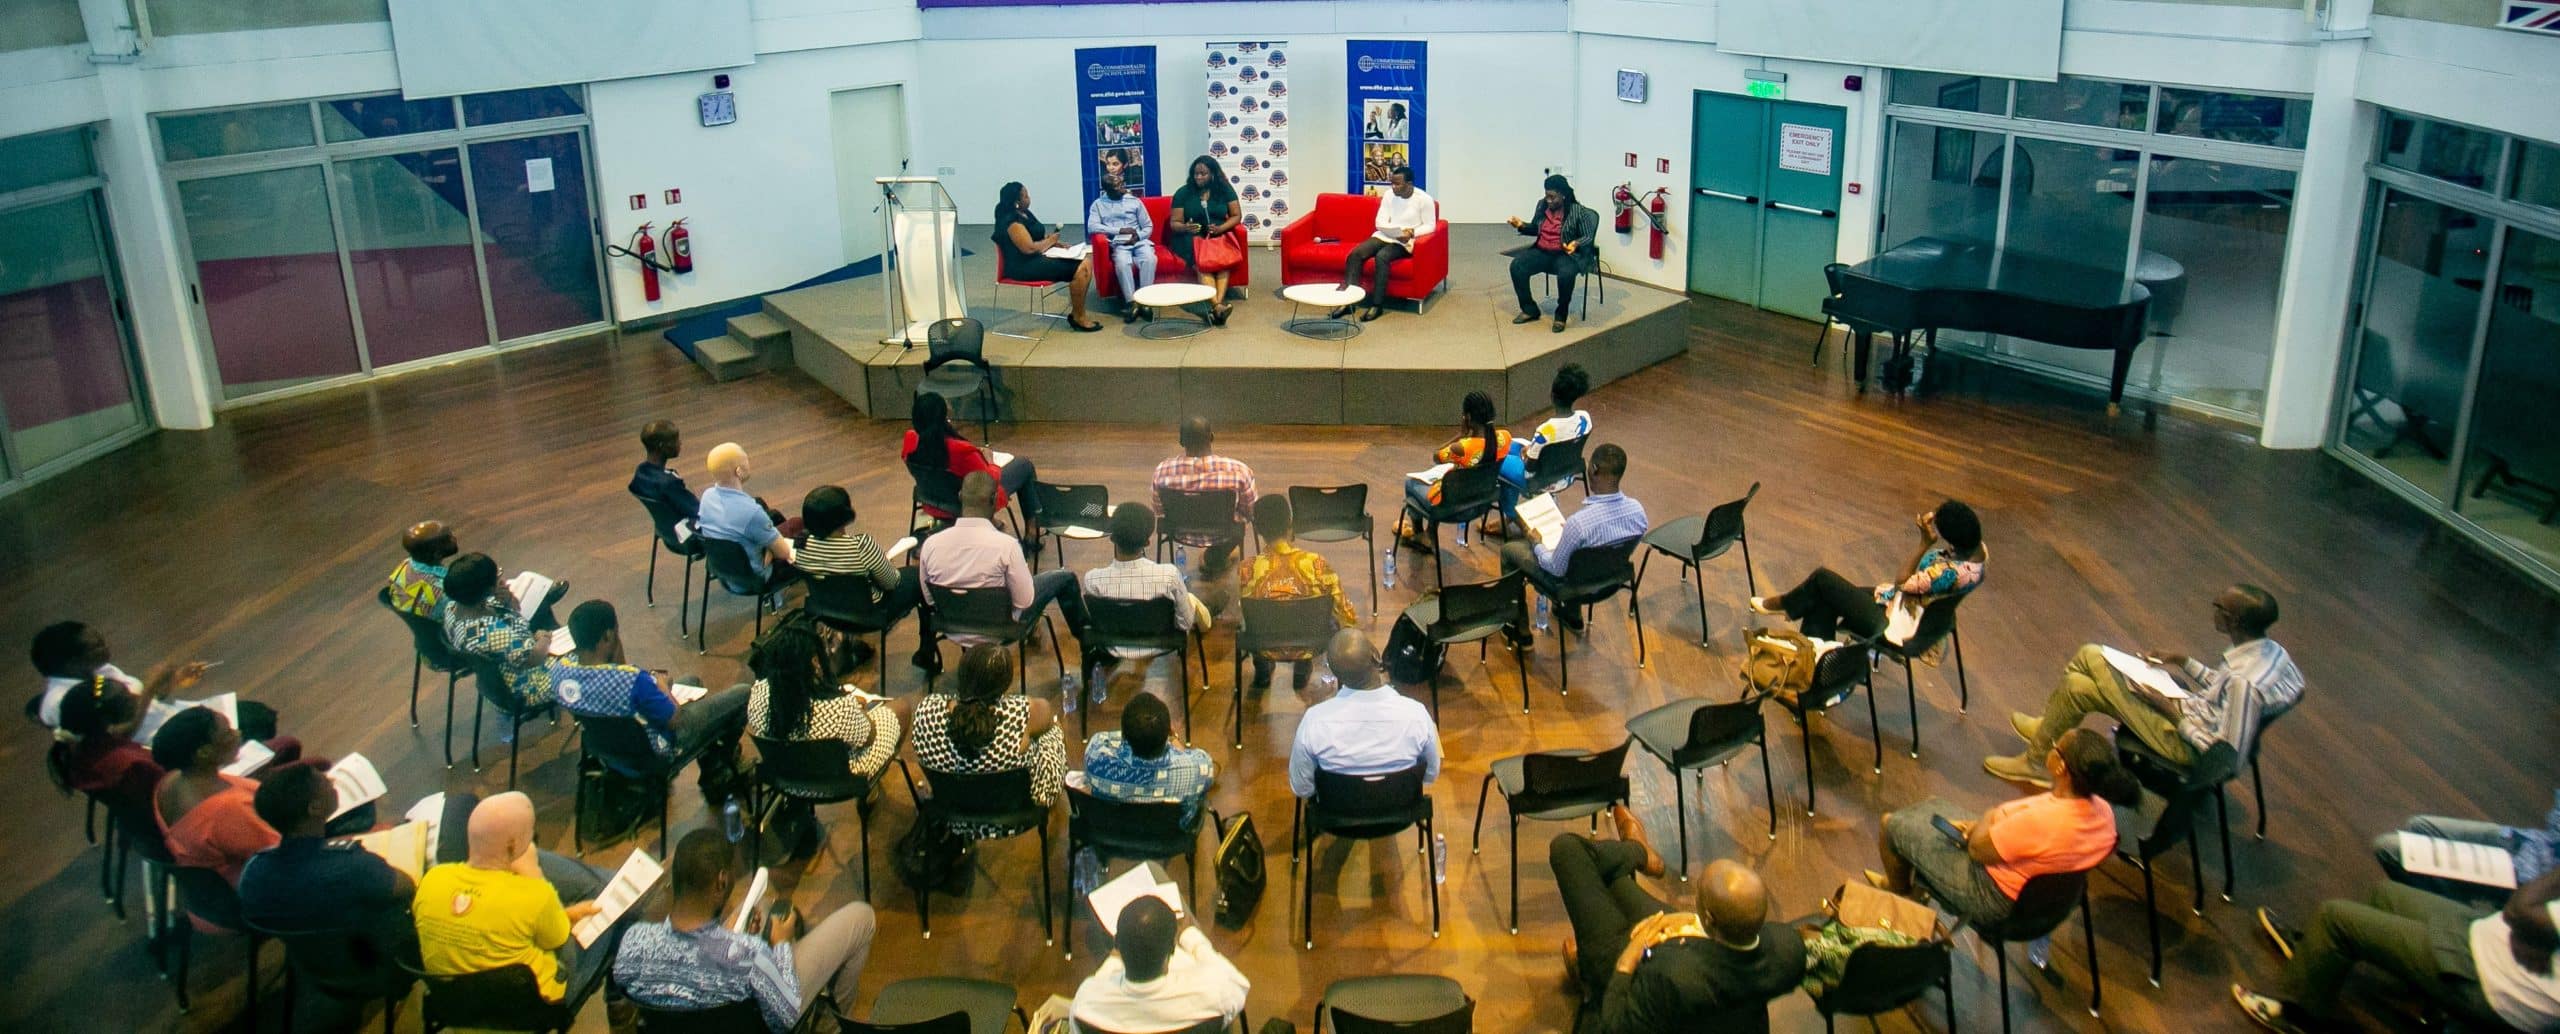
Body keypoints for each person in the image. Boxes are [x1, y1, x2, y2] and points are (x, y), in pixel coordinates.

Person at [1986, 584, 2306, 787]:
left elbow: (2224, 757)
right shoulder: (2271, 652)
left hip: (2184, 742)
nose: (2214, 609)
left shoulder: (2243, 684)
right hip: (2194, 710)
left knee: (2089, 655)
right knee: (2075, 686)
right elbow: (2225, 695)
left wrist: (2172, 713)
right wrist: (2183, 661)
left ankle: (2036, 758)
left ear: (2234, 621)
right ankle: (2046, 738)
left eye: (2219, 607)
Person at [1551, 806, 1807, 1033]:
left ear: (1709, 917)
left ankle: (1636, 852)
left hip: (1641, 972)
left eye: (1699, 897)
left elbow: (1615, 1023)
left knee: (1567, 850)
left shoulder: (1672, 977)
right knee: (1611, 878)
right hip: (1694, 954)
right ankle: (1636, 853)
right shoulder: (1789, 948)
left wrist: (1629, 958)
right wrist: (1687, 922)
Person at [614, 828, 880, 1032]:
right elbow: (783, 1018)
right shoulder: (749, 957)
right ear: (721, 881)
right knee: (862, 917)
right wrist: (781, 945)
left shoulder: (632, 944)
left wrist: (732, 938)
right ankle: (831, 1025)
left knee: (761, 907)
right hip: (759, 1020)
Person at [2232, 870, 2560, 1034]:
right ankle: (2315, 960)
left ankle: (2298, 1017)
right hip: (2484, 937)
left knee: (2335, 919)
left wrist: (2527, 922)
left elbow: (2518, 910)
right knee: (2386, 894)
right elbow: (2524, 915)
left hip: (2488, 982)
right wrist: (2533, 928)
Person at [1874, 728, 2137, 927]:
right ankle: (1917, 886)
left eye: (2056, 746)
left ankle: (1900, 896)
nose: (2051, 747)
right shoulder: (2104, 813)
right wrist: (1982, 825)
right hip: (2046, 906)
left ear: (2060, 766)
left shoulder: (2042, 821)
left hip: (1992, 897)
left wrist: (1987, 818)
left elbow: (1977, 850)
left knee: (1891, 826)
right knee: (1932, 806)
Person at [413, 791, 620, 1010]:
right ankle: (620, 1007)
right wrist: (534, 874)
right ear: (512, 846)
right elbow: (558, 940)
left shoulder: (431, 880)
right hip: (530, 1009)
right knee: (621, 914)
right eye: (531, 836)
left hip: (455, 1008)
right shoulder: (534, 895)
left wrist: (565, 914)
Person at [548, 600, 750, 806]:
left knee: (692, 682)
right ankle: (717, 769)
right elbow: (674, 718)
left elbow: (614, 677)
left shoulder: (559, 673)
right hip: (658, 751)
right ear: (608, 635)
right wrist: (662, 687)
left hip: (613, 751)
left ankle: (714, 765)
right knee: (742, 693)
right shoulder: (633, 680)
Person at [150, 706, 368, 887]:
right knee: (362, 814)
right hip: (273, 880)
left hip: (250, 857)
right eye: (227, 733)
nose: (238, 733)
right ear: (203, 753)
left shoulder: (170, 781)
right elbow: (286, 853)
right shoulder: (228, 812)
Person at [745, 611, 905, 853]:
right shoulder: (839, 708)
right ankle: (870, 791)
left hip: (787, 776)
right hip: (842, 781)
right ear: (814, 663)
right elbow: (867, 738)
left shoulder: (758, 696)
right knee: (900, 709)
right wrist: (862, 711)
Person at [1751, 499, 1987, 645]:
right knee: (1823, 595)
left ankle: (1785, 605)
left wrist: (1925, 542)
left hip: (1896, 624)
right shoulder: (1978, 555)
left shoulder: (1946, 573)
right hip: (1917, 616)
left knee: (1822, 580)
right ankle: (1817, 670)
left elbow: (1902, 582)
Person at [236, 764, 416, 949]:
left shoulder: (252, 873)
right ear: (315, 807)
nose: (332, 781)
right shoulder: (353, 865)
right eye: (326, 782)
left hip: (311, 965)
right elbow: (406, 886)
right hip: (378, 958)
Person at [900, 644, 1065, 839]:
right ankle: (1046, 794)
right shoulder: (1022, 712)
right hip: (1016, 818)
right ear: (1005, 684)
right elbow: (1047, 717)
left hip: (951, 815)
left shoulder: (927, 710)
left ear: (961, 676)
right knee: (1053, 730)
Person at [919, 471, 1088, 646]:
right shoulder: (1007, 546)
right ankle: (1092, 651)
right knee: (1065, 578)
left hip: (953, 628)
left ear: (961, 496)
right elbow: (1024, 601)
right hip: (1001, 631)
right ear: (994, 500)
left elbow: (930, 598)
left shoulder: (931, 545)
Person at [29, 620, 260, 744]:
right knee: (255, 722)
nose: (105, 648)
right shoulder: (62, 703)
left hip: (169, 719)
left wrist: (173, 680)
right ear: (71, 663)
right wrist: (150, 688)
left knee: (254, 714)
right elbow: (114, 738)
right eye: (95, 647)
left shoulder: (101, 672)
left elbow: (137, 701)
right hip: (159, 742)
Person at [1499, 443, 1648, 633]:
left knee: (1510, 551)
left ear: (1594, 469)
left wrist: (1535, 542)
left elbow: (1555, 568)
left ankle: (1518, 631)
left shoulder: (1579, 524)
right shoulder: (1638, 512)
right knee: (1576, 554)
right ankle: (1571, 615)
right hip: (1611, 579)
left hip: (1570, 585)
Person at [1287, 630, 1441, 798]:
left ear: (1335, 673)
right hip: (1400, 813)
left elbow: (1302, 788)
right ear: (1376, 657)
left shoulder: (1313, 722)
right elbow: (1430, 774)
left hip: (1337, 815)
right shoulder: (1416, 714)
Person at [794, 484, 931, 667]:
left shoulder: (802, 546)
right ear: (844, 515)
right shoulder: (861, 546)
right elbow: (891, 583)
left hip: (826, 612)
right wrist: (883, 563)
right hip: (868, 616)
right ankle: (926, 651)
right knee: (918, 576)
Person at [1069, 895, 1250, 1032]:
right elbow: (1238, 984)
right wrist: (1191, 937)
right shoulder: (1214, 994)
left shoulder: (1086, 1003)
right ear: (1172, 947)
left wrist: (1112, 962)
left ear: (1116, 944)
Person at [1238, 496, 1358, 689]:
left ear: (1257, 528)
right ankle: (1302, 668)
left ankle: (1262, 669)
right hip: (1313, 642)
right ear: (1290, 524)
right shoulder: (1316, 563)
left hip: (1263, 643)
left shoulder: (1246, 568)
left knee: (1249, 616)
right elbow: (1345, 612)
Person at [1082, 504, 1211, 678]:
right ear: (1147, 542)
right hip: (1162, 642)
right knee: (1192, 600)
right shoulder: (1169, 575)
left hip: (1113, 644)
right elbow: (1184, 625)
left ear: (1112, 538)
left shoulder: (1092, 580)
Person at [2373, 790, 2560, 906]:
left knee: (2390, 849)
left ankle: (2459, 919)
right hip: (2531, 843)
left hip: (2532, 878)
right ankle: (2449, 903)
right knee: (2419, 826)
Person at [1072, 690, 1217, 829]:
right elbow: (1208, 767)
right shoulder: (1199, 770)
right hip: (1167, 840)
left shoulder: (1096, 759)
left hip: (1113, 835)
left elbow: (1104, 738)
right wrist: (1173, 738)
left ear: (1124, 735)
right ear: (1167, 733)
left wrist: (1135, 733)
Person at [902, 391, 1042, 535]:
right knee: (1024, 465)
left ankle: (994, 523)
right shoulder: (962, 450)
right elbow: (988, 483)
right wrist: (990, 460)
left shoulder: (909, 439)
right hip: (974, 505)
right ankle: (1032, 533)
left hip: (931, 499)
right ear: (942, 417)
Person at [442, 552, 557, 712]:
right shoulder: (493, 632)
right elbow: (533, 658)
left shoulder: (452, 608)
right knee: (581, 653)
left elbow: (513, 611)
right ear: (488, 589)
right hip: (524, 687)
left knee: (543, 611)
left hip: (497, 683)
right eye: (498, 576)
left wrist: (508, 599)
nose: (501, 579)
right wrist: (544, 638)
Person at [1150, 415, 1258, 574]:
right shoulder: (1239, 470)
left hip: (1179, 531)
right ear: (1212, 437)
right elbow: (1250, 511)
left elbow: (1159, 511)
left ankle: (1213, 557)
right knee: (1241, 521)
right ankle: (1215, 556)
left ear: (1181, 441)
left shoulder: (1162, 471)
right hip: (1224, 532)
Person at [992, 181, 1103, 332]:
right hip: (1023, 266)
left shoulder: (1024, 213)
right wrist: (1050, 241)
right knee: (1082, 268)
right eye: (1025, 196)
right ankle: (1079, 317)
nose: (1028, 198)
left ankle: (1077, 313)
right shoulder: (1012, 221)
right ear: (1017, 202)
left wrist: (1052, 243)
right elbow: (1029, 248)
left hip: (1036, 258)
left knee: (1085, 261)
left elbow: (1035, 235)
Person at [1333, 166, 1435, 323]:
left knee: (1382, 257)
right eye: (1392, 183)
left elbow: (1430, 226)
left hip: (1405, 241)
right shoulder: (1388, 195)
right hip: (1384, 235)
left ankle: (1377, 305)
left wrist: (1411, 233)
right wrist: (1389, 229)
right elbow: (1379, 221)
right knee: (1356, 254)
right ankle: (1349, 302)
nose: (1393, 187)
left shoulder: (1424, 199)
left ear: (1410, 184)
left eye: (1398, 184)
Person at [1498, 364, 1595, 528]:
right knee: (1511, 444)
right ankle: (1512, 515)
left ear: (1552, 395)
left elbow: (1530, 468)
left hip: (1540, 481)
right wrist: (1530, 451)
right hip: (1567, 474)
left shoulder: (1546, 431)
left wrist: (1525, 455)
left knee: (1497, 458)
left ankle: (1512, 516)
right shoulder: (1585, 419)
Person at [697, 441, 799, 591]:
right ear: (738, 471)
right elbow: (784, 553)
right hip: (755, 579)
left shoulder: (707, 496)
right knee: (799, 526)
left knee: (774, 517)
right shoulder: (752, 513)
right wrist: (770, 548)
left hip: (726, 572)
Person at [1400, 390, 1513, 525]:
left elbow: (1436, 455)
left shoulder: (1461, 448)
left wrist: (1461, 434)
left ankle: (1420, 534)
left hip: (1453, 508)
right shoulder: (1504, 437)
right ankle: (1428, 533)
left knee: (1410, 483)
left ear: (1468, 418)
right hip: (1481, 502)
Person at [1506, 174, 1601, 333]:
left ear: (1563, 195)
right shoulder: (1542, 205)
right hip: (1542, 251)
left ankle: (1561, 313)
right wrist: (1521, 225)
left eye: (1552, 197)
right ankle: (1530, 309)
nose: (1548, 200)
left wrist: (1575, 243)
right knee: (1517, 266)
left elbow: (1588, 236)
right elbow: (1536, 228)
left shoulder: (1578, 211)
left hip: (1565, 253)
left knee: (1566, 274)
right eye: (1546, 196)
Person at [1168, 156, 1243, 326]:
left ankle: (1216, 307)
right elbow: (1175, 223)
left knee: (1223, 262)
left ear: (1213, 174)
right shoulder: (1183, 193)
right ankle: (1217, 307)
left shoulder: (1224, 189)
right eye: (1196, 174)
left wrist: (1221, 228)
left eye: (1203, 174)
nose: (1199, 177)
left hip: (1216, 233)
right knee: (1202, 261)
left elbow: (1236, 215)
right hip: (1189, 237)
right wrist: (1186, 227)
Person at [1088, 172, 1158, 320]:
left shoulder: (1135, 202)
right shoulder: (1098, 205)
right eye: (1118, 186)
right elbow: (1092, 227)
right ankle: (1131, 302)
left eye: (1122, 184)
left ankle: (1145, 301)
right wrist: (1119, 230)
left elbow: (1148, 226)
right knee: (1122, 263)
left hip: (1139, 240)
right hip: (1119, 243)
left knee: (1150, 259)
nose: (1123, 188)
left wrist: (1137, 236)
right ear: (1108, 189)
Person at [388, 520, 461, 621]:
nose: (454, 538)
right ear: (437, 554)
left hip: (419, 625)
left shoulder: (404, 565)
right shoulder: (446, 590)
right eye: (449, 538)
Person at [629, 420, 700, 523]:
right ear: (662, 445)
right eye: (675, 440)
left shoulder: (641, 471)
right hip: (683, 530)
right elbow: (696, 511)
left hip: (664, 525)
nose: (680, 443)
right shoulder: (670, 483)